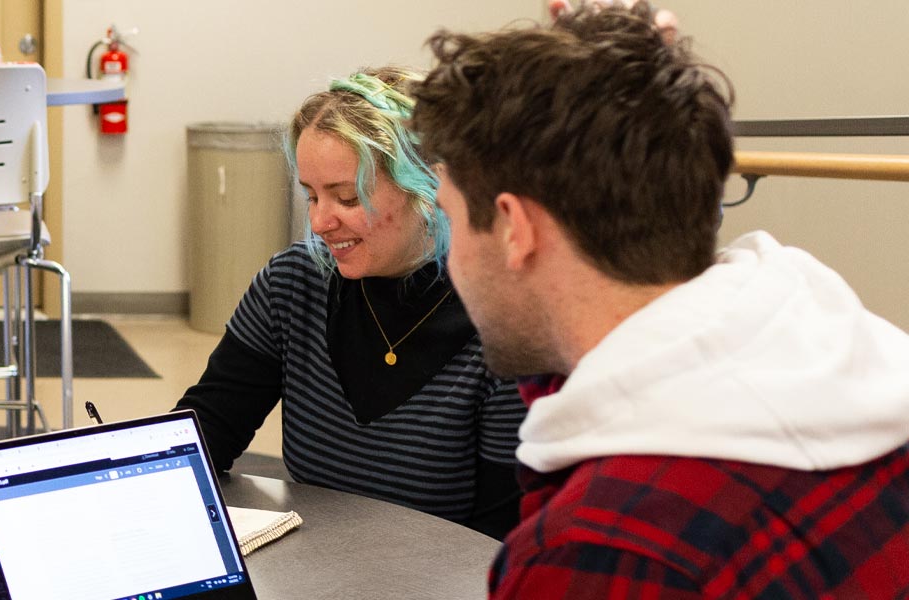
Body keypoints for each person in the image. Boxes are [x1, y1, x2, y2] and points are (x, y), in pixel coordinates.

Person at [413, 2, 909, 596]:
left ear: (515, 228)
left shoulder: (595, 550)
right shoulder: (850, 367)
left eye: (448, 218)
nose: (452, 257)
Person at [174, 66, 527, 539]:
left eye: (346, 197)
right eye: (311, 196)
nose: (320, 222)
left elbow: (499, 541)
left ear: (429, 186)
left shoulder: (504, 322)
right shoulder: (293, 285)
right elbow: (200, 440)